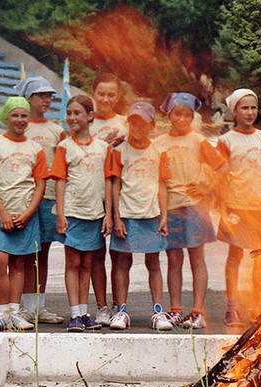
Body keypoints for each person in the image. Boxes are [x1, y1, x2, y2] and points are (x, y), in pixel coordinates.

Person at [0, 97, 49, 331]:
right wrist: (2, 211)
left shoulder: (35, 148)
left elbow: (39, 184)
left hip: (24, 214)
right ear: (6, 117)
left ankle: (14, 313)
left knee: (19, 263)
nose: (20, 120)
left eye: (24, 116)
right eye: (15, 115)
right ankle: (2, 312)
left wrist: (28, 213)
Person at [156, 92, 225, 329]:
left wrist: (206, 187)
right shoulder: (159, 143)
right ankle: (176, 309)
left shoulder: (199, 140)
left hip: (195, 207)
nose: (182, 119)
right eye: (178, 113)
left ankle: (197, 310)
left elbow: (221, 167)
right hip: (170, 207)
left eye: (187, 114)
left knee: (197, 258)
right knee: (174, 259)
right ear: (169, 114)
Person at [105, 102, 171, 330]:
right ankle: (121, 311)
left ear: (152, 125)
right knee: (123, 262)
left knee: (153, 263)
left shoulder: (158, 150)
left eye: (142, 122)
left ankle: (158, 311)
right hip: (127, 215)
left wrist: (164, 215)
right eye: (133, 122)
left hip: (151, 215)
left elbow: (163, 185)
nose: (137, 127)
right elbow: (115, 184)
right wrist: (116, 217)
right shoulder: (119, 150)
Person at [216, 89, 261, 326]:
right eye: (244, 108)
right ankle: (232, 308)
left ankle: (259, 305)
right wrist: (224, 209)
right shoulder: (226, 141)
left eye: (253, 107)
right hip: (236, 206)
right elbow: (220, 178)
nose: (250, 112)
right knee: (235, 255)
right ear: (234, 111)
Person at [50, 95, 111, 332]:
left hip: (95, 214)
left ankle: (85, 312)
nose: (72, 117)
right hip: (73, 213)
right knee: (73, 262)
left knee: (88, 262)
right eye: (69, 113)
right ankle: (74, 312)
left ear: (90, 116)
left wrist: (107, 214)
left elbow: (107, 182)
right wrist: (61, 214)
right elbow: (60, 182)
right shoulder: (64, 146)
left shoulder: (103, 148)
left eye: (78, 113)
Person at [15, 76, 65, 325]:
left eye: (50, 96)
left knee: (42, 252)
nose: (47, 100)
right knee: (24, 253)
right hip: (22, 199)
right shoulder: (19, 126)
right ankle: (24, 307)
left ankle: (39, 307)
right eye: (41, 95)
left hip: (47, 198)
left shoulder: (56, 130)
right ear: (28, 98)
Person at [89, 73, 126, 325]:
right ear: (93, 94)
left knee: (120, 254)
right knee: (95, 254)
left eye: (111, 94)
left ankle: (119, 306)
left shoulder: (127, 123)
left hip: (124, 196)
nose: (105, 99)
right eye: (101, 93)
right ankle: (102, 306)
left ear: (118, 96)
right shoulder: (86, 122)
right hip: (94, 194)